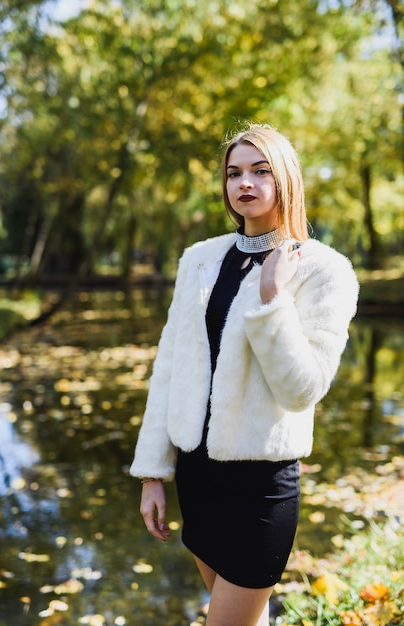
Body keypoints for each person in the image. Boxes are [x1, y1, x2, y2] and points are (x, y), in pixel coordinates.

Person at [129, 123, 359, 626]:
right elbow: (169, 370)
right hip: (197, 476)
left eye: (260, 171)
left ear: (286, 180)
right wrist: (152, 473)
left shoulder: (325, 270)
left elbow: (304, 390)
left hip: (261, 486)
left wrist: (273, 299)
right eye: (234, 173)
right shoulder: (199, 260)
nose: (245, 183)